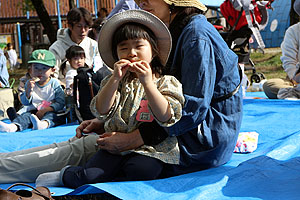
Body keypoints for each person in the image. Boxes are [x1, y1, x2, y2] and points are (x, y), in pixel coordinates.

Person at [0, 0, 242, 184]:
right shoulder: (176, 31)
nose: (141, 2)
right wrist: (106, 119)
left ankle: (22, 171)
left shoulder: (195, 35)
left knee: (95, 147)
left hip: (197, 142)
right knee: (91, 141)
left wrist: (134, 138)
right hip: (162, 128)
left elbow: (191, 109)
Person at [36, 10, 184, 188]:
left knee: (142, 170)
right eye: (123, 48)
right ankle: (67, 175)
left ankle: (116, 174)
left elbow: (166, 116)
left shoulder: (166, 82)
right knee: (91, 175)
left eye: (138, 46)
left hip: (150, 149)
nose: (131, 53)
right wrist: (114, 79)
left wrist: (147, 84)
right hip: (113, 147)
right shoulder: (113, 80)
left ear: (154, 50)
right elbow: (101, 109)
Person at [0, 50, 65, 132]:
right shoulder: (29, 83)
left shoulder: (54, 83)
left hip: (50, 111)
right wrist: (28, 91)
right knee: (25, 117)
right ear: (30, 69)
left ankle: (43, 124)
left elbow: (61, 102)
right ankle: (13, 127)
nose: (40, 71)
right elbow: (25, 103)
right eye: (36, 68)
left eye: (44, 68)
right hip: (33, 112)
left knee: (56, 117)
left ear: (52, 70)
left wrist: (46, 110)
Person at [49, 7, 104, 85]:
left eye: (86, 27)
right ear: (70, 26)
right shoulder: (56, 48)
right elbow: (52, 77)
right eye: (79, 26)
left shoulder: (94, 45)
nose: (83, 30)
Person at [263, 0, 300, 99]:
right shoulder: (293, 31)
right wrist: (295, 79)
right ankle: (294, 91)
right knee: (269, 86)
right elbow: (289, 60)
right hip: (296, 80)